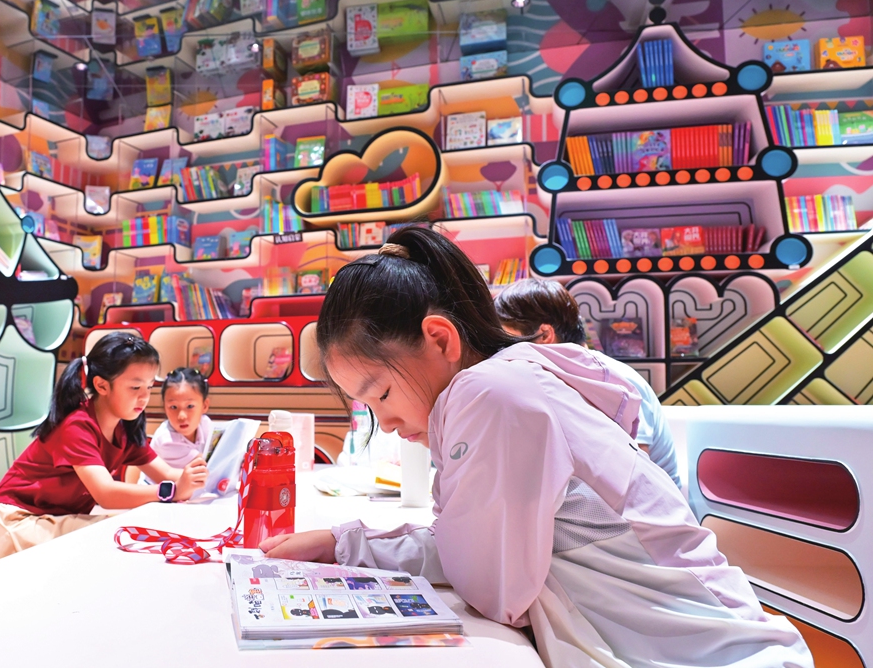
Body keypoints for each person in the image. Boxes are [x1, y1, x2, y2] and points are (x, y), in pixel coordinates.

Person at [261, 226, 811, 668]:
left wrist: (349, 544)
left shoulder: (491, 393)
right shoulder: (509, 381)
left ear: (440, 339)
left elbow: (494, 589)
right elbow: (470, 546)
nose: (385, 423)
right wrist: (343, 543)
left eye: (381, 394)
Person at [0, 333, 207, 579]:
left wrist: (195, 476)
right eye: (135, 388)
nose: (144, 397)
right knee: (119, 535)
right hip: (15, 521)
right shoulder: (77, 425)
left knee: (129, 531)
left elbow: (168, 474)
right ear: (101, 385)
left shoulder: (126, 427)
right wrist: (170, 491)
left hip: (50, 519)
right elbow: (106, 494)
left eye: (149, 387)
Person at [494, 278, 681, 487]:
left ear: (545, 335)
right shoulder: (563, 377)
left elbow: (634, 476)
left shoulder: (612, 379)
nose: (503, 352)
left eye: (508, 341)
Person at [150, 367, 212, 470]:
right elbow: (209, 465)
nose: (181, 416)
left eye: (190, 406)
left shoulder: (205, 423)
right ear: (164, 407)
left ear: (205, 405)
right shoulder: (165, 440)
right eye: (173, 407)